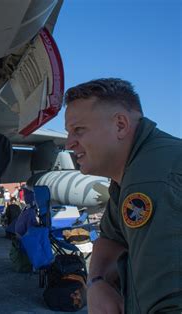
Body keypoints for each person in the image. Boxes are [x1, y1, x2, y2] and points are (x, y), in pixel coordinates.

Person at [64, 78, 182, 313]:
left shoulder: (150, 179)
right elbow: (111, 237)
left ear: (120, 125)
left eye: (79, 130)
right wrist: (97, 282)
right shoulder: (130, 173)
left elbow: (169, 304)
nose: (68, 144)